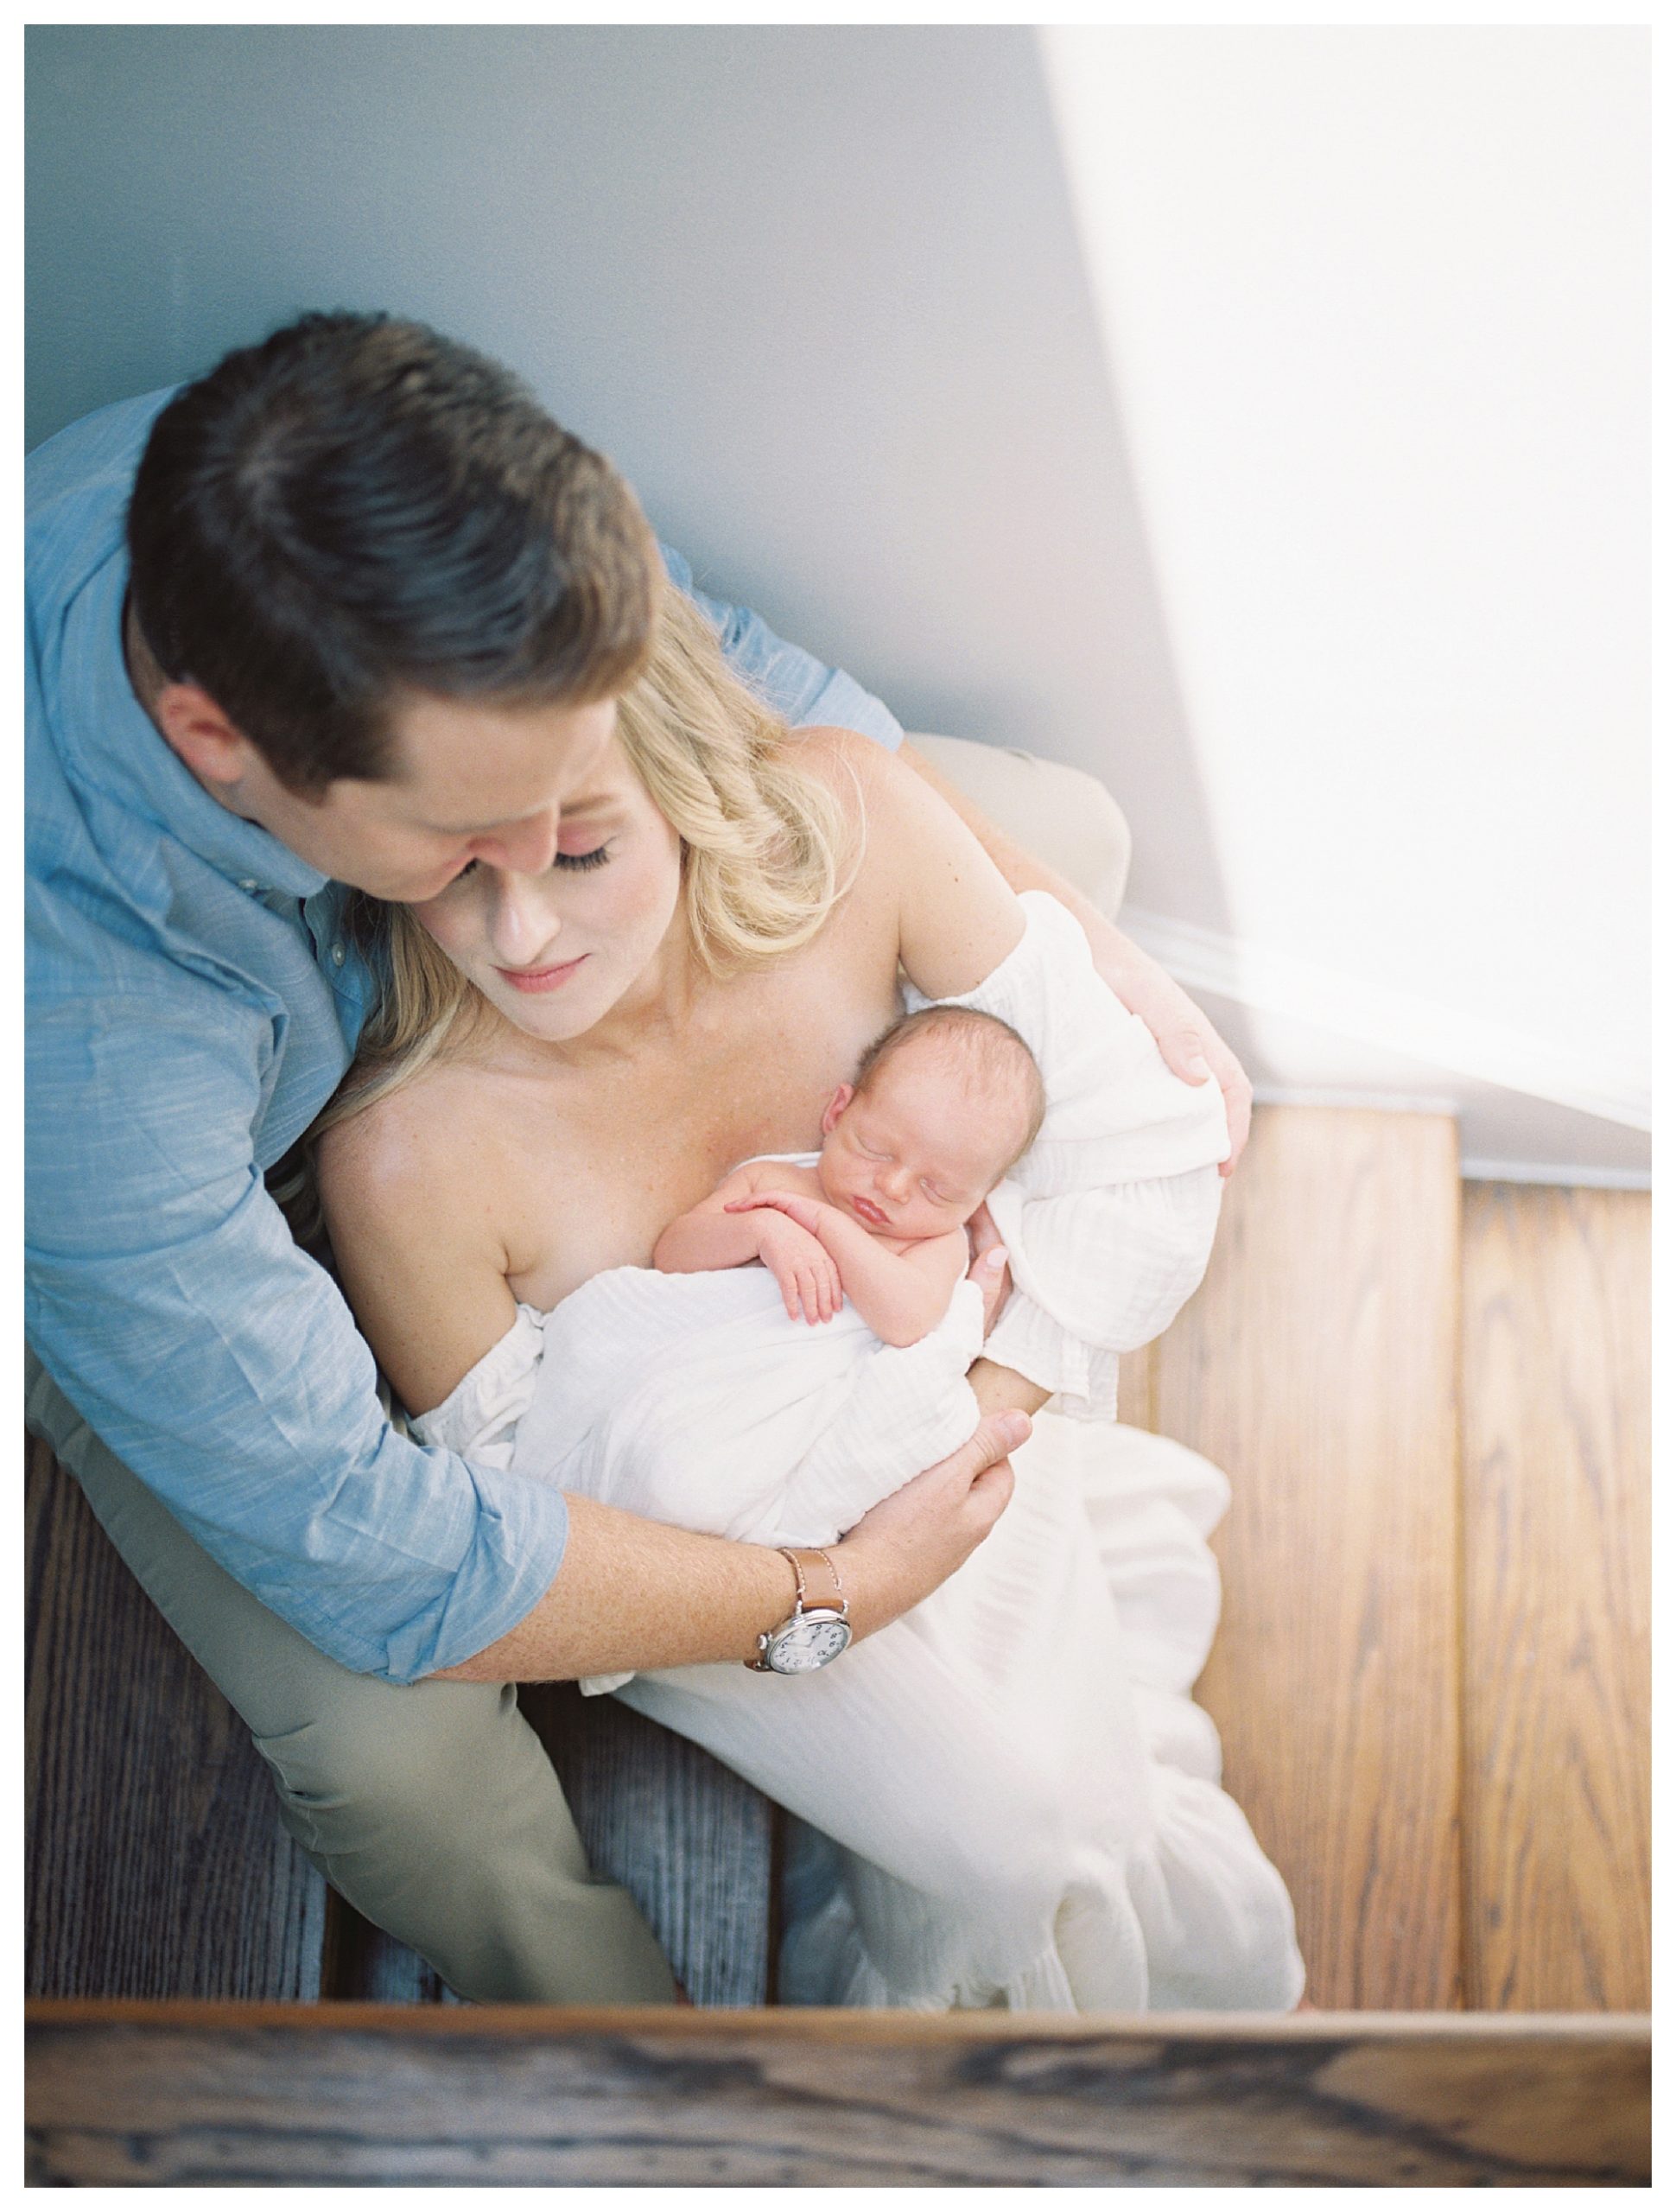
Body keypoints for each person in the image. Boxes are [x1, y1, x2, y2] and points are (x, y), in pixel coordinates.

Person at [27, 308, 1257, 2005]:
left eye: (577, 812)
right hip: (149, 1248)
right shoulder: (81, 1050)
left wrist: (1083, 968)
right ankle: (634, 2070)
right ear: (217, 743)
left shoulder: (362, 489)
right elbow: (377, 1546)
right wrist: (820, 1590)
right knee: (410, 1773)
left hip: (513, 1125)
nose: (523, 908)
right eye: (467, 843)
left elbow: (740, 680)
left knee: (1064, 849)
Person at [314, 579, 1303, 2010]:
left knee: (1067, 1800)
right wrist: (837, 1584)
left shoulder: (849, 824)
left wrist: (968, 1413)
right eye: (453, 869)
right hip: (722, 1574)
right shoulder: (409, 1158)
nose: (519, 933)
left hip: (961, 1436)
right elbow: (534, 1540)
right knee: (1015, 1835)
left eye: (582, 851)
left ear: (681, 785)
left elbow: (1135, 1138)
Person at [656, 1005, 1046, 1342]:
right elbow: (672, 1255)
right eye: (875, 1151)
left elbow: (907, 1323)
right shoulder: (768, 1182)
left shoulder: (934, 1244)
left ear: (982, 1195)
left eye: (937, 1190)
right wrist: (761, 1231)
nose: (892, 1188)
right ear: (838, 1112)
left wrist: (826, 1226)